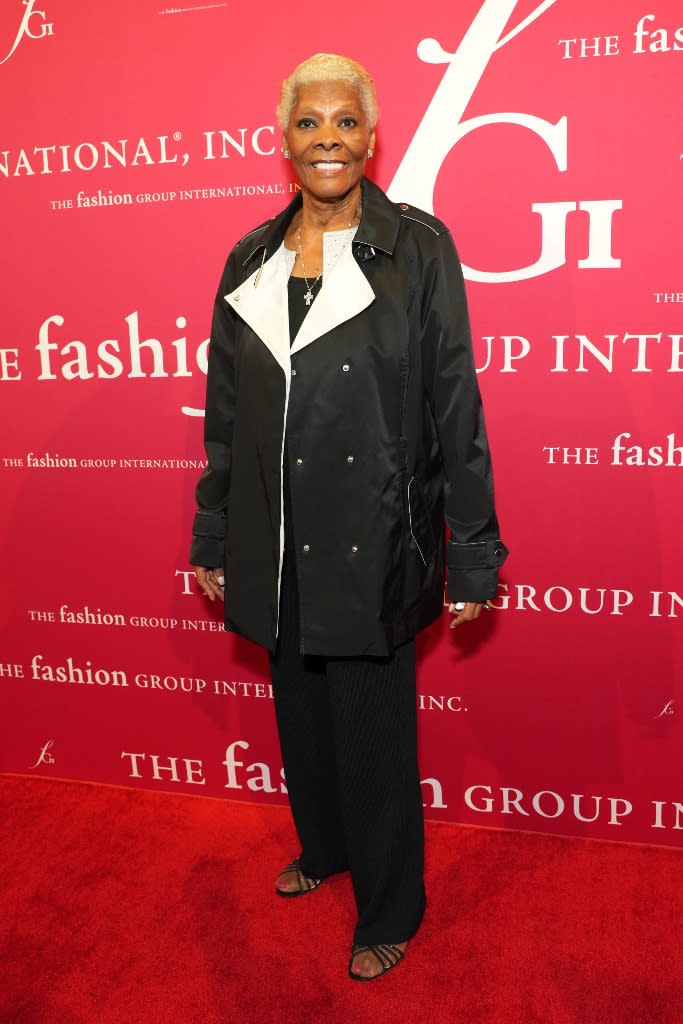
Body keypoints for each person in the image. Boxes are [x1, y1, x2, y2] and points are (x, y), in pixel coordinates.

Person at [190, 53, 508, 982]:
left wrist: (475, 554)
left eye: (344, 123)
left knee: (370, 734)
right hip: (274, 537)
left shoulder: (417, 246)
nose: (326, 139)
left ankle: (390, 904)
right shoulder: (248, 256)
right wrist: (215, 534)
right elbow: (226, 413)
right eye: (308, 123)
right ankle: (324, 849)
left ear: (371, 138)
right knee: (300, 717)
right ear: (282, 140)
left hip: (374, 534)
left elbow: (455, 400)